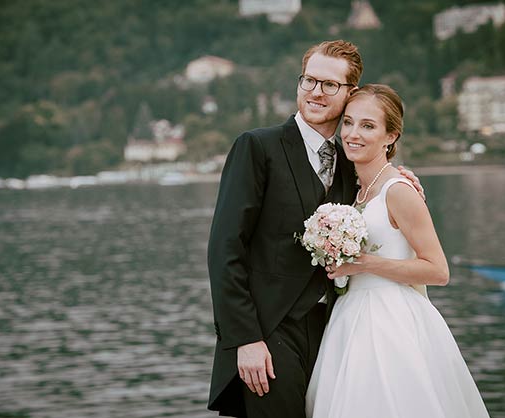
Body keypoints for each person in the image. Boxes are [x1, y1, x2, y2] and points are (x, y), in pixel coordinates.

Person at [207, 40, 424, 418]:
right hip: (269, 332)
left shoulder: (349, 160)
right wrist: (246, 339)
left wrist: (401, 178)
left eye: (328, 85)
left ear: (350, 93)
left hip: (334, 332)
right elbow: (225, 250)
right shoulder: (257, 147)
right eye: (308, 80)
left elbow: (377, 191)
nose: (315, 92)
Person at [306, 84, 489, 418]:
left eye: (368, 125)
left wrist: (364, 264)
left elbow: (438, 270)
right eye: (348, 122)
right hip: (348, 321)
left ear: (391, 136)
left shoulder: (399, 190)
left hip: (391, 323)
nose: (352, 133)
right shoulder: (356, 190)